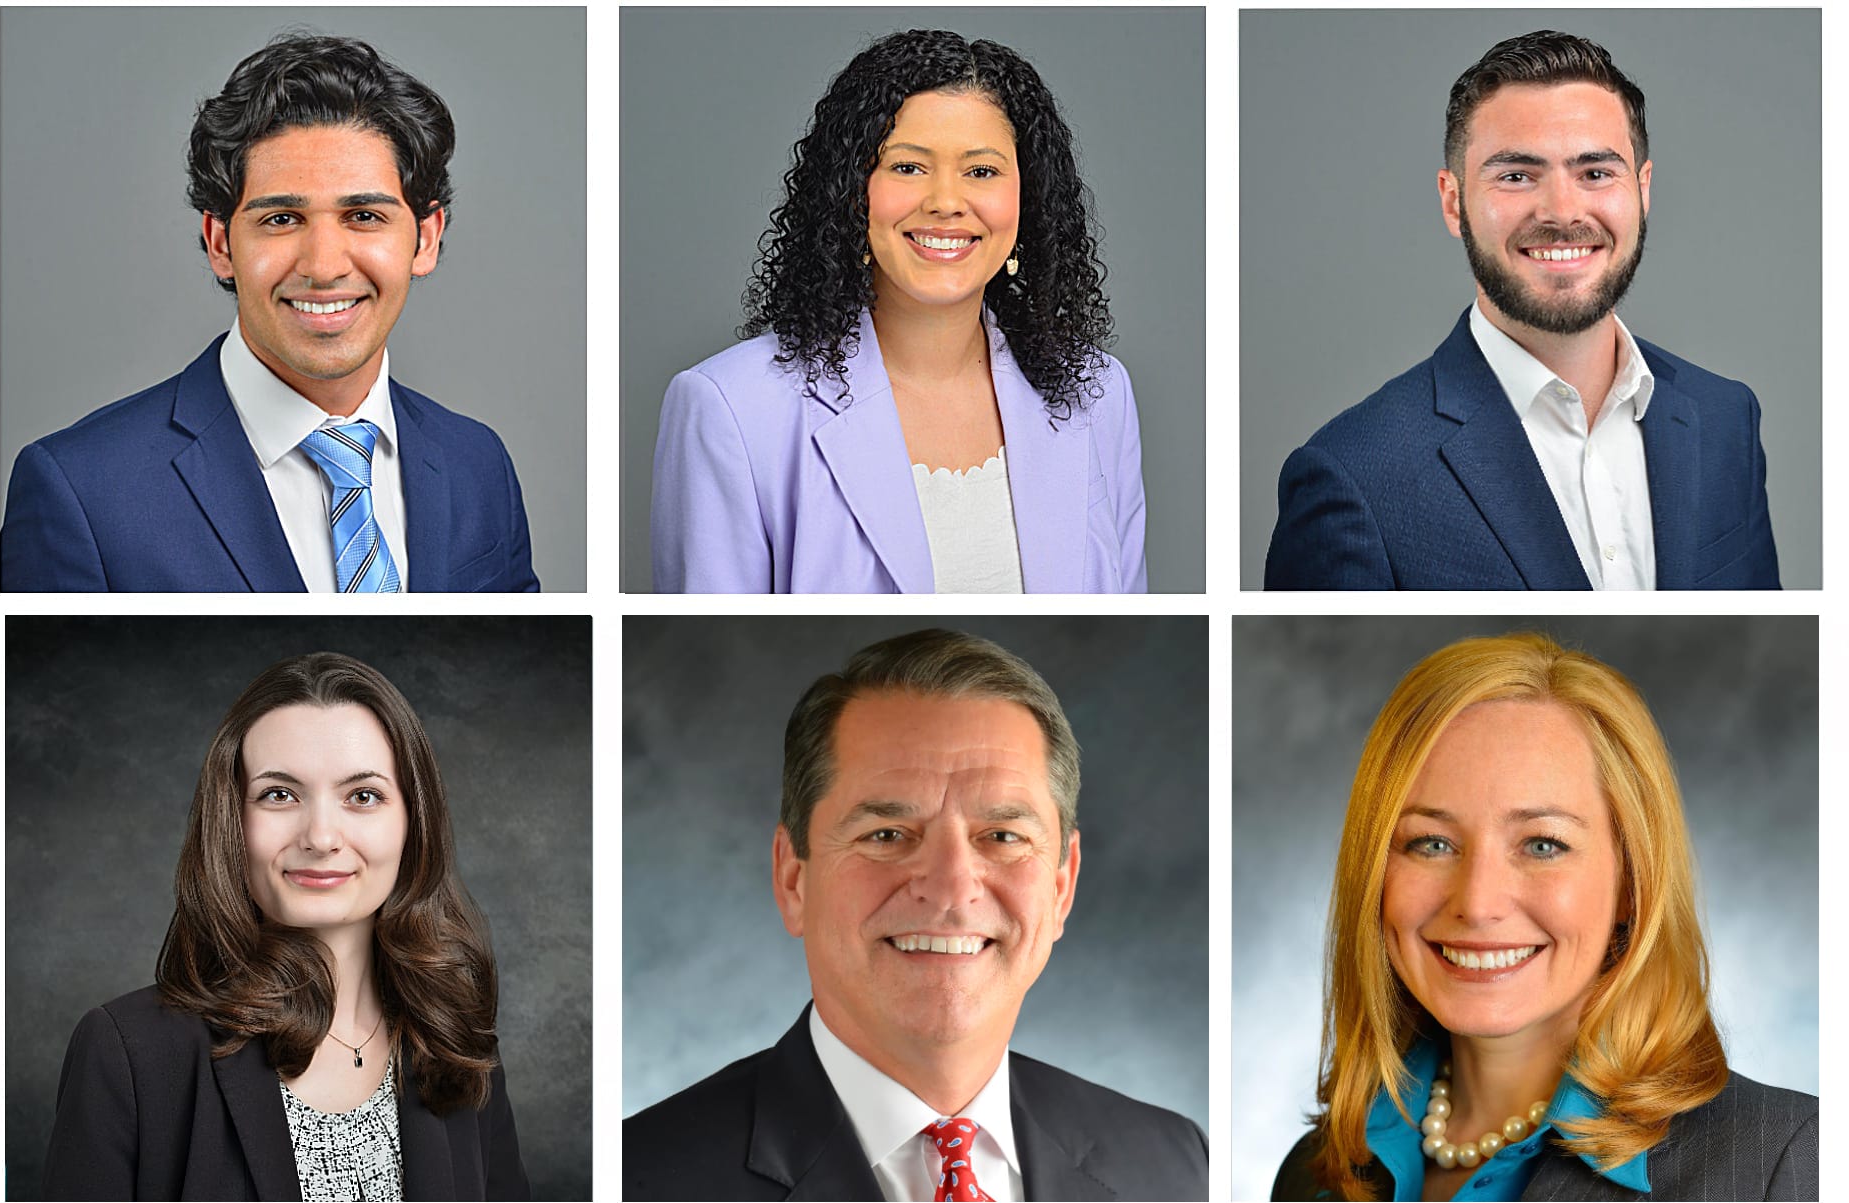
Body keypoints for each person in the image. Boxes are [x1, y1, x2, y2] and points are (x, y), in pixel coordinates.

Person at [625, 629, 1205, 1199]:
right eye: (887, 834)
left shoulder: (1174, 1165)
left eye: (1002, 835)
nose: (952, 889)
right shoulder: (638, 1178)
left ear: (1062, 884)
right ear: (792, 877)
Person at [1273, 633, 1816, 1201]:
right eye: (1431, 843)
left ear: (1633, 881)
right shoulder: (1314, 1173)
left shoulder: (1782, 1160)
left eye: (1542, 845)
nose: (1478, 905)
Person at [1, 34, 537, 592]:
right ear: (221, 244)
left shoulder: (479, 464)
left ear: (425, 239)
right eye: (281, 219)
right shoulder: (81, 490)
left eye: (363, 216)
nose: (324, 266)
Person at [1265, 31, 1778, 590]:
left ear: (1643, 189)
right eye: (1516, 176)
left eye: (1595, 173)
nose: (1562, 211)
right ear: (1453, 201)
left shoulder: (1727, 418)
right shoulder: (1354, 477)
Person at [652, 30, 1145, 594]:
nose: (945, 201)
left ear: (1028, 197)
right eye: (908, 167)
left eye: (981, 171)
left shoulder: (1100, 394)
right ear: (850, 192)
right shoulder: (729, 408)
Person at [43, 652, 528, 1199]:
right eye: (279, 794)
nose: (320, 837)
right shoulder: (126, 1052)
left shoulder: (455, 1042)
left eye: (362, 796)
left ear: (413, 823)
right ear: (231, 821)